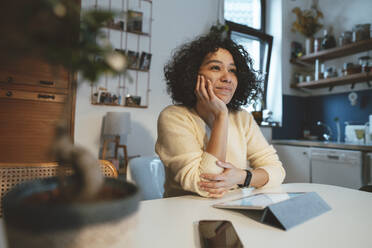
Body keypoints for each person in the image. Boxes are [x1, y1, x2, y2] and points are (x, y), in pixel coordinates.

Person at [156, 32, 285, 198]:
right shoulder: (174, 117)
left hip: (233, 208)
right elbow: (206, 186)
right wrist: (221, 117)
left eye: (232, 70)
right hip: (184, 213)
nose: (227, 78)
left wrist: (241, 177)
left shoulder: (242, 118)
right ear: (193, 74)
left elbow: (277, 171)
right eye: (215, 67)